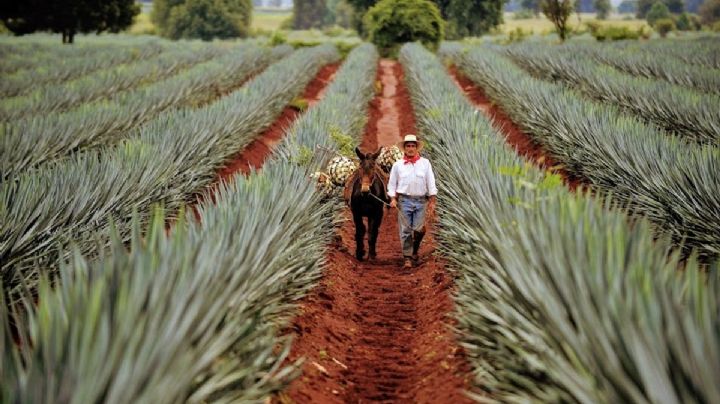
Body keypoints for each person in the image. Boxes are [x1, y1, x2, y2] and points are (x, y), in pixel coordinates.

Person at [387, 134, 437, 268]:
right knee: (405, 230)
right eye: (408, 146)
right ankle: (407, 258)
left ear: (417, 148)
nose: (410, 148)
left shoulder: (425, 164)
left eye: (413, 146)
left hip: (421, 201)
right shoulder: (398, 165)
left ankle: (415, 249)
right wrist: (393, 198)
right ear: (404, 148)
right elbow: (392, 184)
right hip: (404, 201)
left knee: (419, 229)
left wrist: (432, 199)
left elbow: (430, 181)